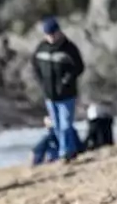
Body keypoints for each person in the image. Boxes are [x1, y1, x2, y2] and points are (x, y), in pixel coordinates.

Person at [31, 17, 85, 162]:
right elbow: (35, 66)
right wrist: (41, 82)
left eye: (53, 34)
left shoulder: (69, 48)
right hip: (49, 95)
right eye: (48, 35)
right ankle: (69, 150)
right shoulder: (41, 48)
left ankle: (65, 152)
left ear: (59, 32)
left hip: (67, 94)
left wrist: (67, 80)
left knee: (66, 124)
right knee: (57, 126)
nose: (51, 37)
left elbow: (79, 67)